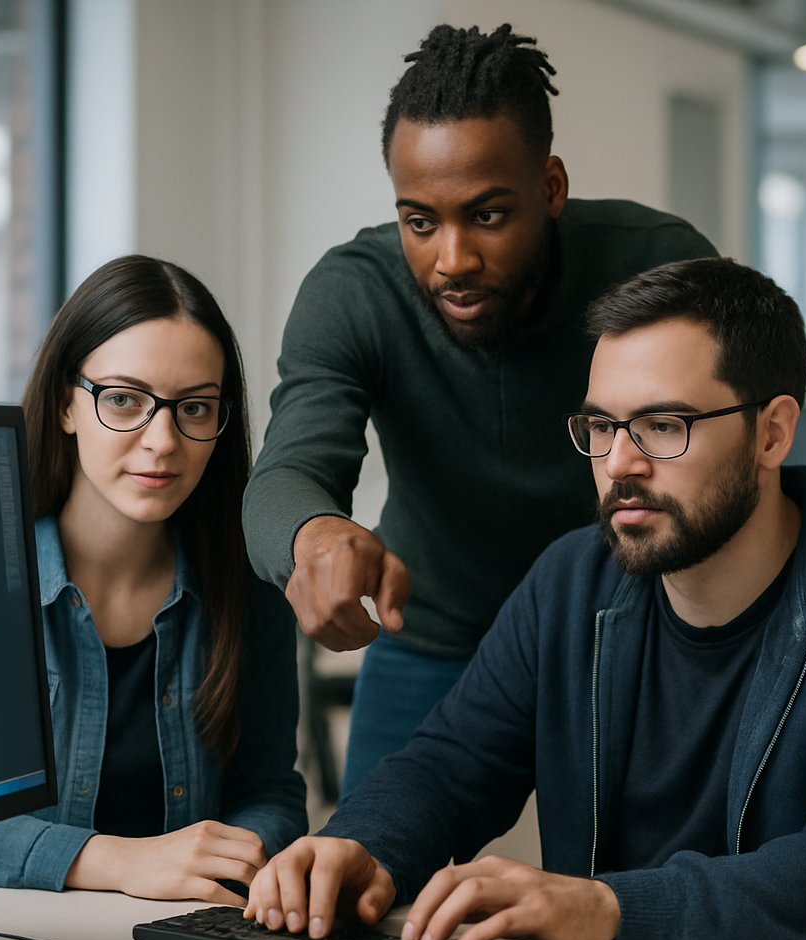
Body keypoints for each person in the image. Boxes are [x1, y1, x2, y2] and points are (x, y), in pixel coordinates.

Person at [243, 257, 806, 940]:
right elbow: (451, 765)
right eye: (601, 427)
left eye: (663, 426)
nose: (620, 464)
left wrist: (606, 907)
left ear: (772, 431)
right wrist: (360, 847)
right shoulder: (571, 580)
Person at [243, 24, 717, 796]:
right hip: (432, 637)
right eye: (419, 221)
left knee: (641, 895)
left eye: (488, 215)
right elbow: (285, 473)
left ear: (551, 187)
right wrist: (316, 536)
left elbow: (720, 460)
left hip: (632, 635)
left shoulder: (657, 265)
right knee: (365, 878)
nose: (452, 259)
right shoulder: (355, 293)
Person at [0, 256, 308, 905]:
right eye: (124, 399)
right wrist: (123, 863)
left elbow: (268, 790)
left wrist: (239, 854)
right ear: (66, 404)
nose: (162, 440)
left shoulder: (249, 582)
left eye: (196, 408)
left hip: (189, 939)